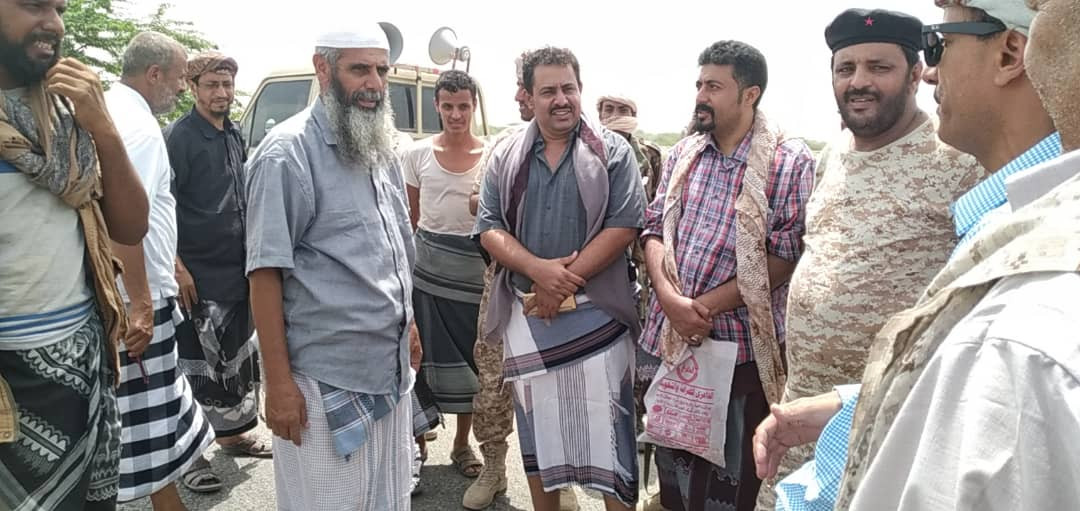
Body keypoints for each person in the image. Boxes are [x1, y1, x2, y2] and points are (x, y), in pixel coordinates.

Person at [754, 1, 1070, 509]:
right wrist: (846, 403)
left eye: (879, 67)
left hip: (898, 440)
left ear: (913, 72)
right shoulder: (831, 156)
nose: (859, 81)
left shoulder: (968, 163)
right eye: (846, 68)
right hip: (818, 418)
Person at [245, 23, 417, 510]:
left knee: (388, 500)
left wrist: (409, 325)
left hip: (387, 370)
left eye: (381, 70)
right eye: (359, 69)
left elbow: (394, 250)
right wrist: (279, 384)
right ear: (323, 68)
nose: (374, 84)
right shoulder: (286, 153)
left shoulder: (381, 145)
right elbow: (264, 274)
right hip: (321, 383)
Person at [638, 40, 815, 511]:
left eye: (714, 87)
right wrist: (669, 299)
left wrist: (701, 308)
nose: (701, 96)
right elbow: (653, 228)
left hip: (738, 355)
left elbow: (784, 256)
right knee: (674, 474)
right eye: (699, 84)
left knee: (728, 487)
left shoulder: (787, 162)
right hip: (671, 343)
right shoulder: (685, 154)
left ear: (749, 94)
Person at [474, 46, 646, 511]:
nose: (561, 99)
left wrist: (560, 282)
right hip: (529, 318)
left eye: (568, 88)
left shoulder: (613, 151)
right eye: (548, 91)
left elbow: (625, 225)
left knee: (612, 441)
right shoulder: (506, 153)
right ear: (529, 97)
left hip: (599, 320)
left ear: (580, 89)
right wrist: (538, 272)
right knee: (540, 437)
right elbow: (488, 226)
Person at [0, 0, 151, 508]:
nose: (52, 22)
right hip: (10, 385)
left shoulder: (66, 111)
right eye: (33, 5)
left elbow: (130, 226)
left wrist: (102, 127)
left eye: (59, 8)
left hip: (85, 366)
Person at [104, 32, 215, 508]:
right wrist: (143, 305)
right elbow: (125, 220)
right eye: (179, 78)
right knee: (145, 425)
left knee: (154, 418)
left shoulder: (111, 109)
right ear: (154, 75)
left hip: (130, 289)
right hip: (135, 296)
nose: (182, 88)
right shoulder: (141, 130)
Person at [164, 50, 271, 493]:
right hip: (196, 274)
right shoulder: (179, 137)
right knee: (195, 366)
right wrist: (177, 266)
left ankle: (232, 436)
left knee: (233, 360)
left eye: (226, 84)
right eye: (211, 85)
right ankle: (191, 458)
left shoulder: (233, 133)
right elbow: (162, 206)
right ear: (193, 88)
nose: (221, 92)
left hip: (235, 270)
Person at [401, 69, 487, 479]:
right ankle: (417, 447)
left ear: (474, 106)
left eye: (463, 106)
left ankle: (461, 444)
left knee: (472, 362)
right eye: (448, 106)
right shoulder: (416, 155)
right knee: (420, 360)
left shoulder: (491, 155)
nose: (456, 115)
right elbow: (411, 220)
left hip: (474, 276)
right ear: (436, 105)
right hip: (427, 276)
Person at [596, 94, 663, 202]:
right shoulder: (588, 152)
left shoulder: (651, 154)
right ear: (600, 116)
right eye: (609, 110)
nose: (615, 116)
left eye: (623, 110)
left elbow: (658, 199)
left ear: (633, 116)